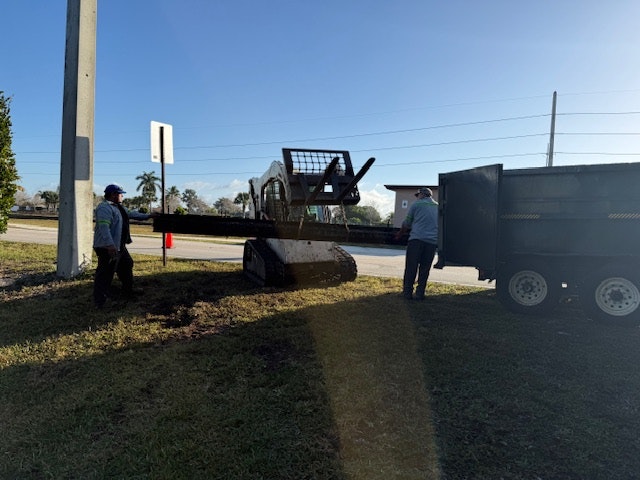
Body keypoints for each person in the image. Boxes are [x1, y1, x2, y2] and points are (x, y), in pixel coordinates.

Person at [93, 184, 156, 308]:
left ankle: (127, 290)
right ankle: (101, 301)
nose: (122, 196)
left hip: (118, 245)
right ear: (113, 195)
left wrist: (149, 216)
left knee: (127, 264)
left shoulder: (119, 208)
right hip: (107, 246)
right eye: (121, 194)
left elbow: (132, 214)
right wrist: (110, 245)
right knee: (105, 273)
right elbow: (104, 228)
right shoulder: (104, 208)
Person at [394, 187, 439, 300]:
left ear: (422, 194)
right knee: (425, 268)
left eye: (417, 195)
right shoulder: (438, 207)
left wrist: (400, 234)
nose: (417, 197)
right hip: (431, 242)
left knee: (411, 267)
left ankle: (407, 293)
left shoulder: (416, 205)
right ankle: (420, 293)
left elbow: (407, 223)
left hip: (416, 240)